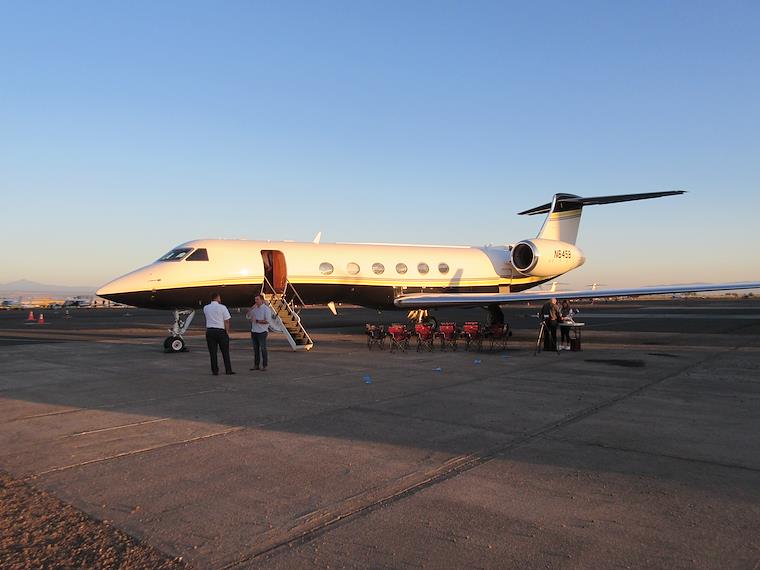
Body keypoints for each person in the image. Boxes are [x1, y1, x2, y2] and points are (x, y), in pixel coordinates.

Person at [203, 292, 234, 375]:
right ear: (217, 298)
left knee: (213, 352)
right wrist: (227, 331)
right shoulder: (222, 307)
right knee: (225, 352)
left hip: (210, 331)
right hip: (220, 331)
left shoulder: (206, 308)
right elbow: (226, 320)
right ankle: (228, 369)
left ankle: (215, 370)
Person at [246, 294, 270, 371]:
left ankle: (265, 365)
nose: (256, 301)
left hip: (262, 332)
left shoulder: (266, 309)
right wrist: (251, 309)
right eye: (255, 299)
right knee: (256, 350)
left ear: (262, 300)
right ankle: (256, 365)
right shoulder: (254, 309)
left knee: (263, 349)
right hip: (254, 331)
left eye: (257, 299)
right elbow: (247, 316)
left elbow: (267, 321)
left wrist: (257, 321)